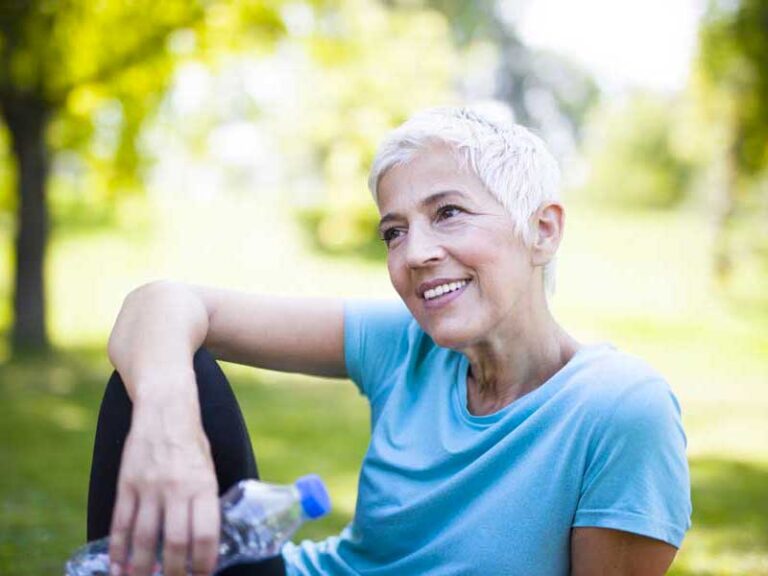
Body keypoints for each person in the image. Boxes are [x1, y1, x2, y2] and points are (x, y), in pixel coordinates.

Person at [89, 106, 692, 576]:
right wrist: (168, 432)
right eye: (394, 231)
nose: (416, 254)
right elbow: (159, 303)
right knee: (161, 372)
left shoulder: (621, 409)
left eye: (449, 212)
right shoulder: (405, 344)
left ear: (542, 230)